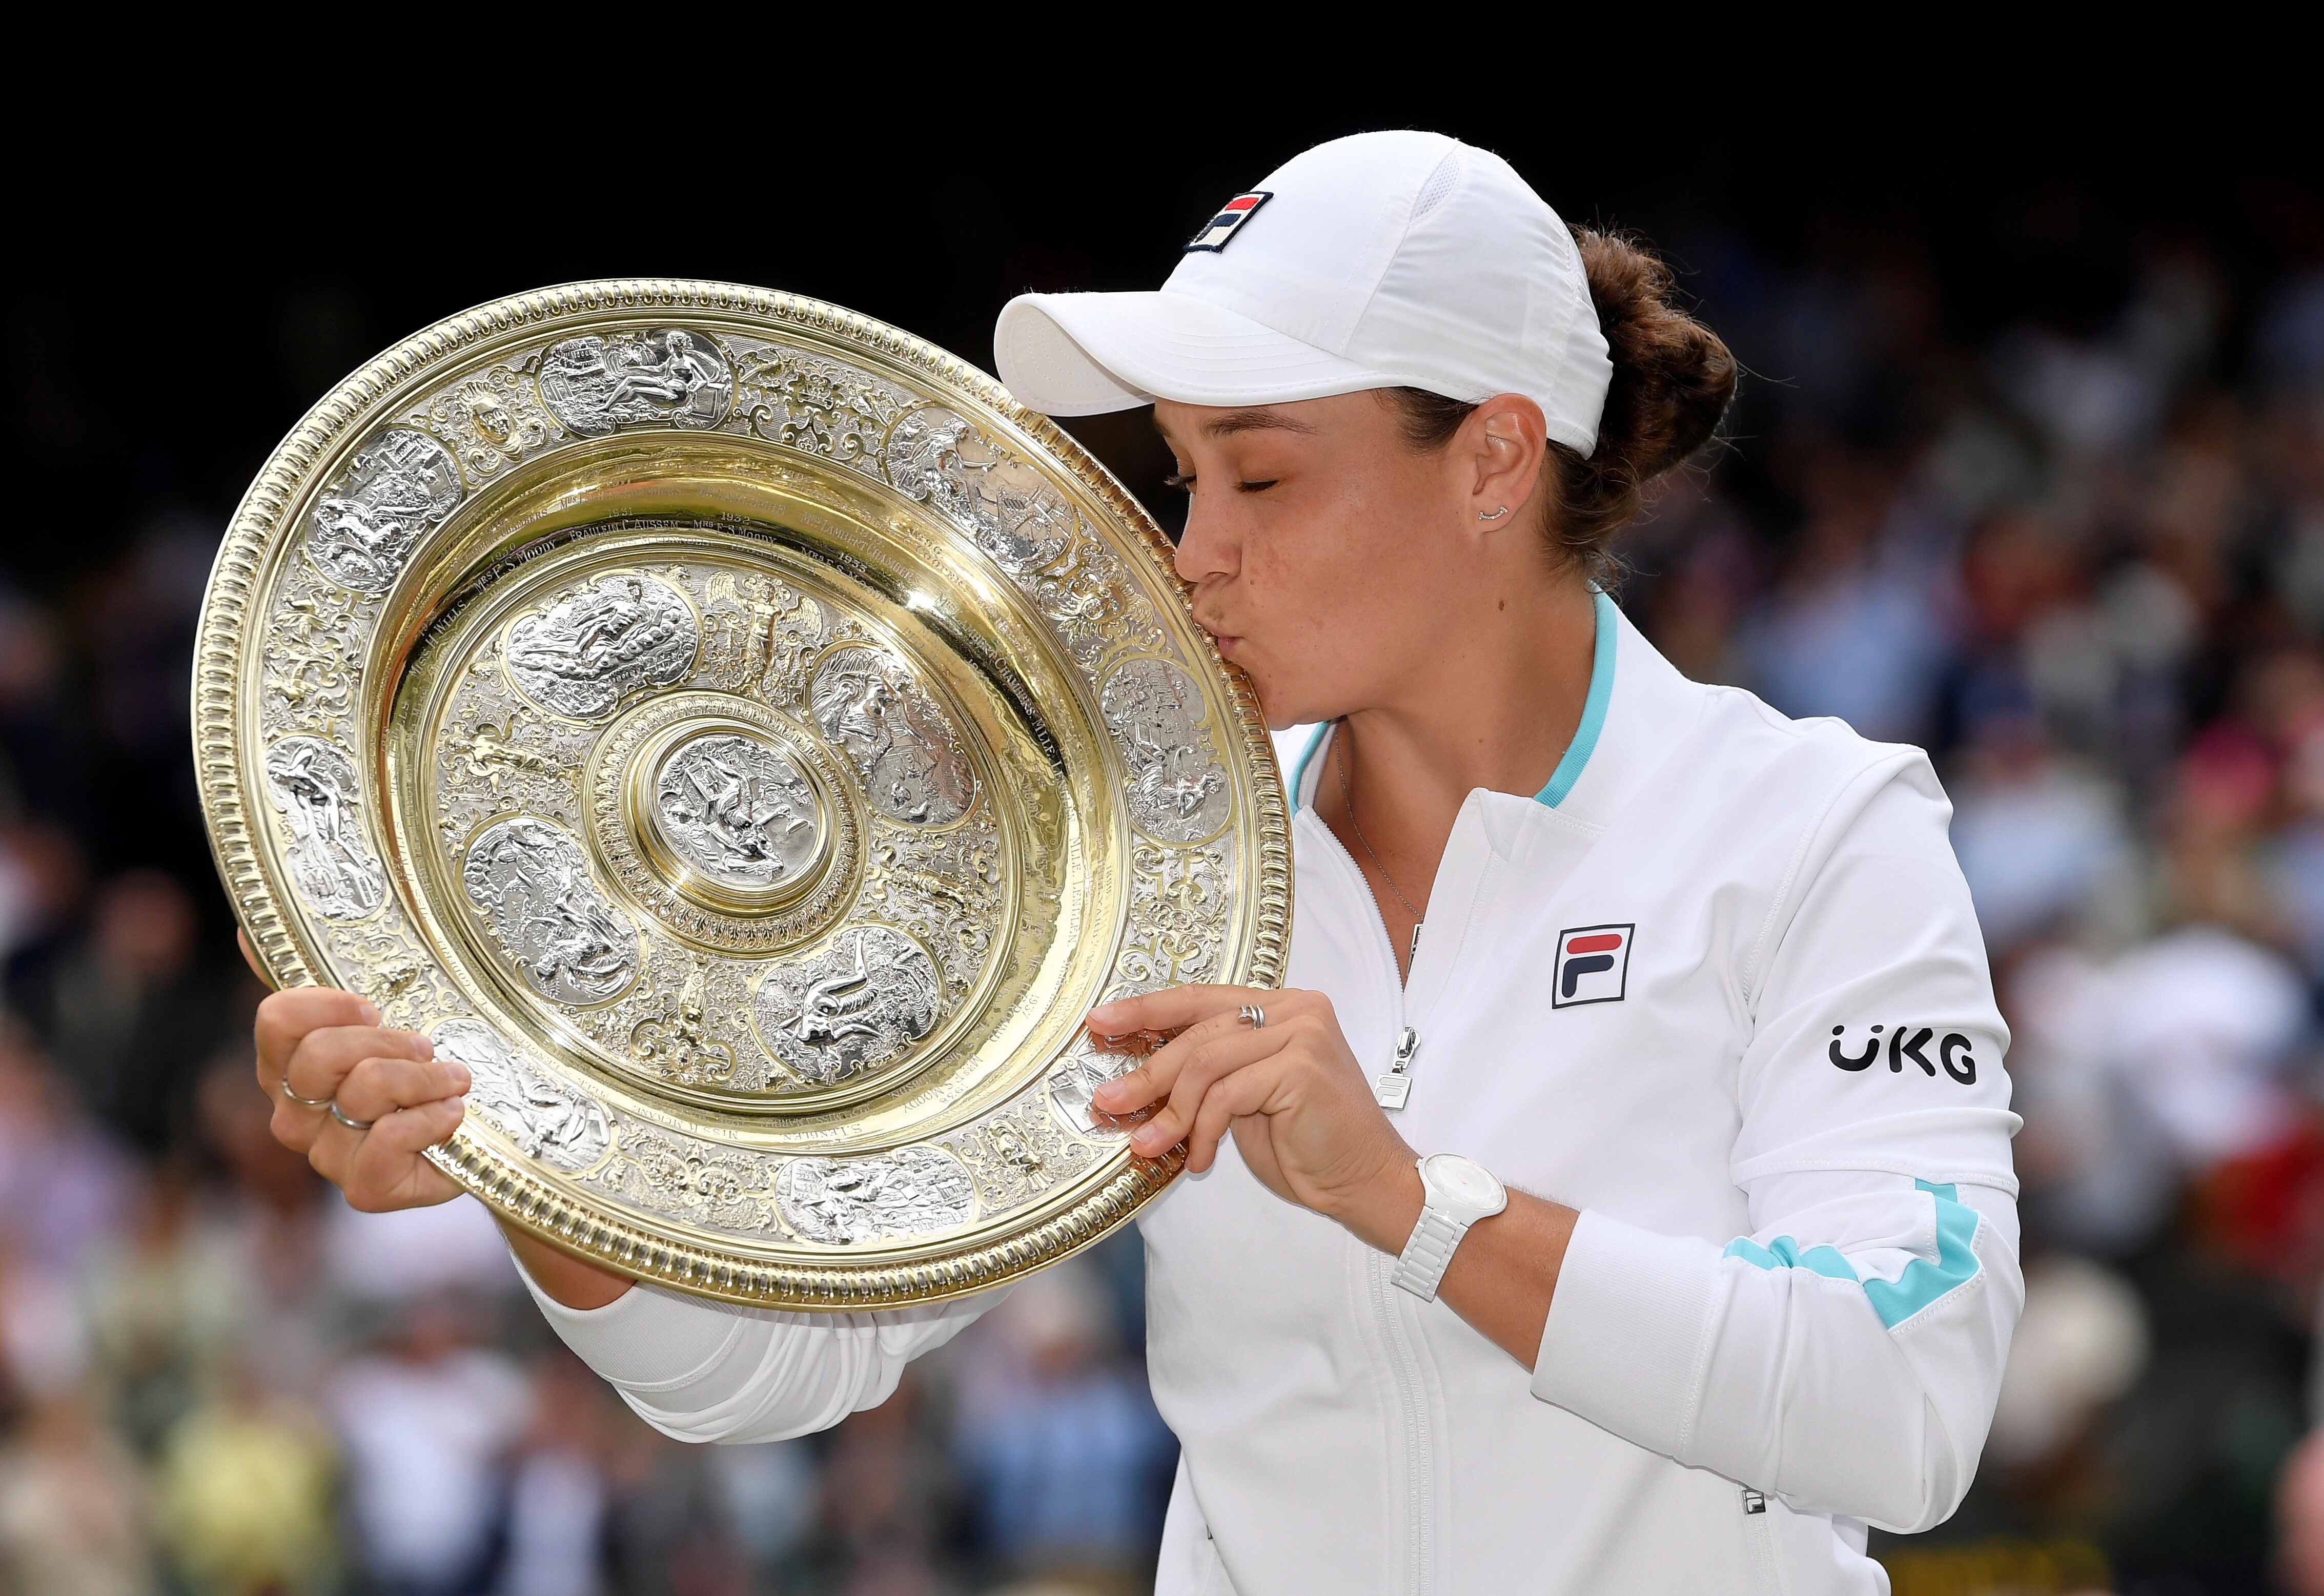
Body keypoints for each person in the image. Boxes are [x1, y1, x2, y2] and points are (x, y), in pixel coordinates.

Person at [249, 131, 2023, 1593]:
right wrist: (534, 1172)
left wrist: (1413, 1203)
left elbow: (1903, 1403)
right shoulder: (1151, 854)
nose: (1194, 556)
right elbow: (788, 1366)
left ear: (1491, 460)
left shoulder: (1814, 828)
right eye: (1184, 480)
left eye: (1256, 478)